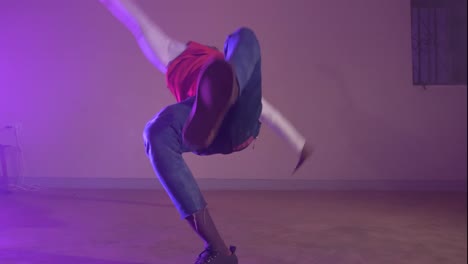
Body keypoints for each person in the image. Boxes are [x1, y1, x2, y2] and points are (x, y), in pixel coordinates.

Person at [100, 1, 313, 263]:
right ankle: (220, 253)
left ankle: (225, 95)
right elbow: (138, 21)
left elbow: (139, 24)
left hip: (234, 114)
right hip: (209, 127)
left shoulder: (220, 61)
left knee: (241, 38)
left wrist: (301, 145)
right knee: (157, 132)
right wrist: (300, 145)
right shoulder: (177, 54)